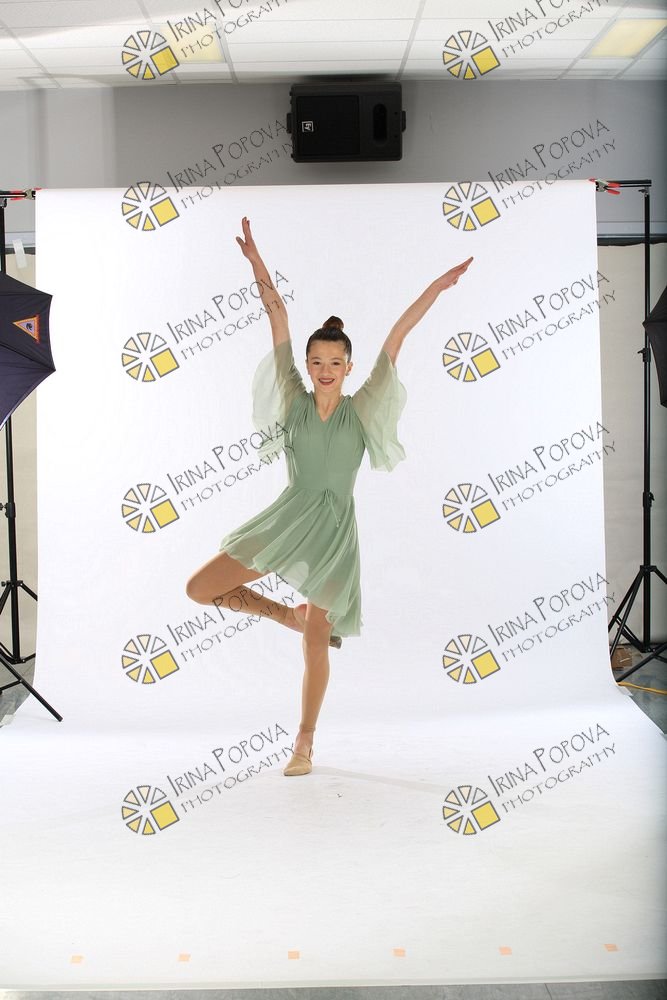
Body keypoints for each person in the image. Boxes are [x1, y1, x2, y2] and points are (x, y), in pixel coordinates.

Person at [186, 217, 473, 776]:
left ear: (348, 367)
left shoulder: (361, 409)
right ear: (307, 365)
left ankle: (305, 741)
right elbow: (277, 317)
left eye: (334, 363)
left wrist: (437, 287)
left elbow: (398, 335)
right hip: (287, 518)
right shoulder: (293, 398)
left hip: (335, 534)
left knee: (318, 641)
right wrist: (257, 263)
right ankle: (287, 616)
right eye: (316, 361)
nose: (323, 370)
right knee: (201, 588)